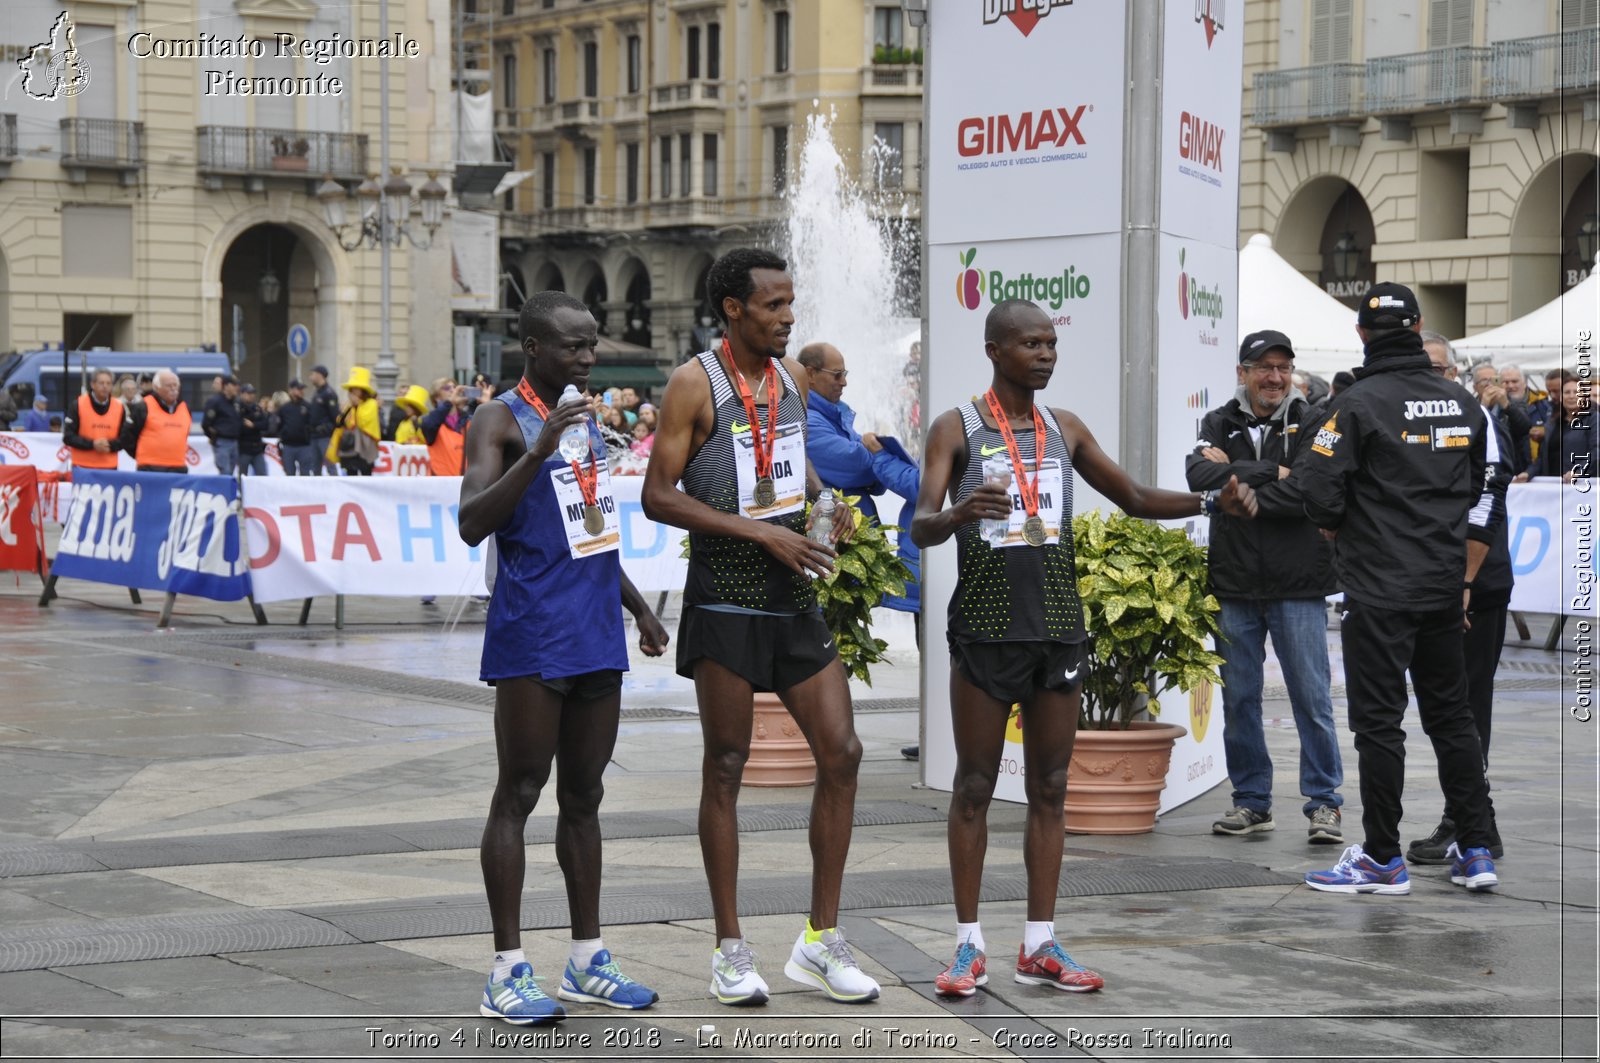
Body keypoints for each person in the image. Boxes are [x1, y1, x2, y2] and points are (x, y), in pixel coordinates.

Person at [910, 299, 1257, 997]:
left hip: (1058, 629)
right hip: (983, 628)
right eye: (1031, 343)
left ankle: (1040, 941)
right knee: (974, 786)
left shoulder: (1063, 429)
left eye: (1051, 343)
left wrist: (1211, 502)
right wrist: (957, 512)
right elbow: (919, 525)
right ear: (994, 349)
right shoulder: (956, 427)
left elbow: (1130, 495)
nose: (1045, 354)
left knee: (1050, 787)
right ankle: (966, 946)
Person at [641, 247, 880, 1007]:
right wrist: (758, 533)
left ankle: (819, 939)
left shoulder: (788, 380)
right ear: (733, 309)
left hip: (790, 595)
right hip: (726, 598)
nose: (788, 317)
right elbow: (657, 495)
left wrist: (822, 507)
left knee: (842, 752)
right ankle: (729, 948)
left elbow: (795, 464)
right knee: (727, 764)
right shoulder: (693, 382)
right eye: (773, 305)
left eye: (790, 303)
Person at [457, 290, 669, 1027]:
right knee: (518, 792)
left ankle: (587, 958)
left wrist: (637, 606)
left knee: (585, 797)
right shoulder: (498, 419)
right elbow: (471, 522)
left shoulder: (582, 418)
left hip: (593, 632)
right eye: (573, 346)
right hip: (530, 631)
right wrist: (539, 448)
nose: (587, 357)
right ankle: (507, 969)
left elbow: (589, 528)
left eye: (591, 344)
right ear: (533, 350)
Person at [1297, 282, 1500, 896]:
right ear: (1416, 330)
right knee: (1453, 718)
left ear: (1361, 334)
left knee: (1380, 725)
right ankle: (1478, 847)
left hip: (1380, 590)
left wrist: (1339, 528)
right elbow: (1480, 490)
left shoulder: (1354, 404)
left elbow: (1316, 487)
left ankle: (1383, 857)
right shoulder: (1463, 402)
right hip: (1441, 585)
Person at [1186, 329, 1344, 845]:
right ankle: (1252, 802)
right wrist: (1267, 472)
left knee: (1312, 699)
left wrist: (1237, 483)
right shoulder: (1219, 419)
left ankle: (1324, 804)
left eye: (1283, 367)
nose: (1274, 377)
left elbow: (1308, 489)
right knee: (1240, 701)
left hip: (1299, 583)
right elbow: (1196, 476)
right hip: (1235, 585)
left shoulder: (1316, 418)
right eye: (1263, 367)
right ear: (1243, 373)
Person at [1407, 336, 1512, 865]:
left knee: (1466, 707)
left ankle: (1469, 823)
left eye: (1441, 369)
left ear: (1457, 374)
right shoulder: (1412, 419)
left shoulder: (1476, 418)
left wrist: (1467, 582)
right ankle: (1475, 823)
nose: (1433, 377)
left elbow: (1492, 491)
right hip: (1431, 583)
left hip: (1476, 584)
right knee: (1445, 708)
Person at [797, 341, 922, 625]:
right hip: (832, 554)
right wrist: (877, 456)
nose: (844, 382)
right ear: (810, 374)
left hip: (845, 555)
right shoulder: (810, 422)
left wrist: (872, 459)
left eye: (845, 374)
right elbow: (860, 466)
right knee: (827, 645)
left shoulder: (832, 415)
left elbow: (866, 471)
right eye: (837, 374)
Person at [1463, 357, 1532, 475]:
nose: (1490, 384)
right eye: (1484, 381)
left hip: (1510, 468)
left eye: (1494, 380)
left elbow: (1525, 428)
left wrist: (1507, 405)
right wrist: (1483, 406)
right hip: (1481, 468)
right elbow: (1469, 434)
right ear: (1475, 387)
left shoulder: (1514, 403)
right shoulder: (1469, 406)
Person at [121, 369, 191, 473]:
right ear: (157, 388)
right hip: (150, 468)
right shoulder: (143, 407)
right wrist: (141, 455)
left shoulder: (185, 408)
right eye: (168, 386)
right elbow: (127, 436)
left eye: (175, 385)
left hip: (178, 467)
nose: (173, 389)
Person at [64, 368, 127, 471]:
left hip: (109, 467)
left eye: (108, 383)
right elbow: (68, 437)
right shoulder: (78, 405)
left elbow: (125, 439)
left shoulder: (119, 407)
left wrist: (109, 445)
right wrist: (93, 444)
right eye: (101, 383)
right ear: (93, 384)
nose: (105, 386)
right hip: (82, 467)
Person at [1536, 373, 1595, 481]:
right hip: (1553, 484)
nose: (1572, 396)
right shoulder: (1552, 422)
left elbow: (1596, 451)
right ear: (1561, 397)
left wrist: (1578, 471)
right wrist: (1528, 473)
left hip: (1581, 484)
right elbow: (1542, 456)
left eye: (1576, 392)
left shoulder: (1592, 418)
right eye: (1567, 392)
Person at [328, 367, 381, 476]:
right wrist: (346, 410)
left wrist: (356, 405)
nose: (352, 392)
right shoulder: (349, 405)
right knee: (351, 474)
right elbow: (339, 423)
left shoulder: (371, 404)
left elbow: (363, 421)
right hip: (350, 446)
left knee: (366, 474)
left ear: (363, 390)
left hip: (365, 445)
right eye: (351, 389)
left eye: (356, 388)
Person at [420, 379, 472, 476]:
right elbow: (429, 424)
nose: (453, 390)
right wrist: (449, 403)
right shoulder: (431, 421)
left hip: (465, 483)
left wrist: (486, 404)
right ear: (437, 397)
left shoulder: (468, 420)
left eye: (454, 387)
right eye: (447, 388)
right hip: (441, 484)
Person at [275, 379, 319, 475]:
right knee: (289, 474)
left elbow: (313, 424)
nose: (302, 391)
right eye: (299, 389)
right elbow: (278, 425)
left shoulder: (308, 406)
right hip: (288, 446)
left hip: (305, 446)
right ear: (290, 390)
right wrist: (283, 435)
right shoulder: (284, 408)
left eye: (302, 389)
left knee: (305, 475)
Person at [202, 376, 243, 474]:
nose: (237, 388)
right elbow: (206, 423)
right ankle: (224, 489)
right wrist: (213, 436)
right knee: (225, 471)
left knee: (231, 471)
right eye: (234, 385)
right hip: (222, 441)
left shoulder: (236, 403)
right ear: (226, 386)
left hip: (234, 441)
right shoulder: (215, 401)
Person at [307, 365, 341, 474]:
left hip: (325, 437)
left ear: (319, 375)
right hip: (314, 436)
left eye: (312, 374)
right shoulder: (317, 393)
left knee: (330, 466)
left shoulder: (329, 393)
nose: (310, 377)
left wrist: (327, 429)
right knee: (315, 468)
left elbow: (335, 416)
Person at [237, 384, 269, 476]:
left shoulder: (257, 408)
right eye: (248, 393)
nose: (251, 395)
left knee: (262, 474)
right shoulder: (238, 407)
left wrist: (253, 425)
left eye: (253, 393)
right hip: (243, 448)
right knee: (243, 475)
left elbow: (265, 424)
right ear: (242, 394)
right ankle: (241, 490)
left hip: (257, 448)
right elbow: (239, 425)